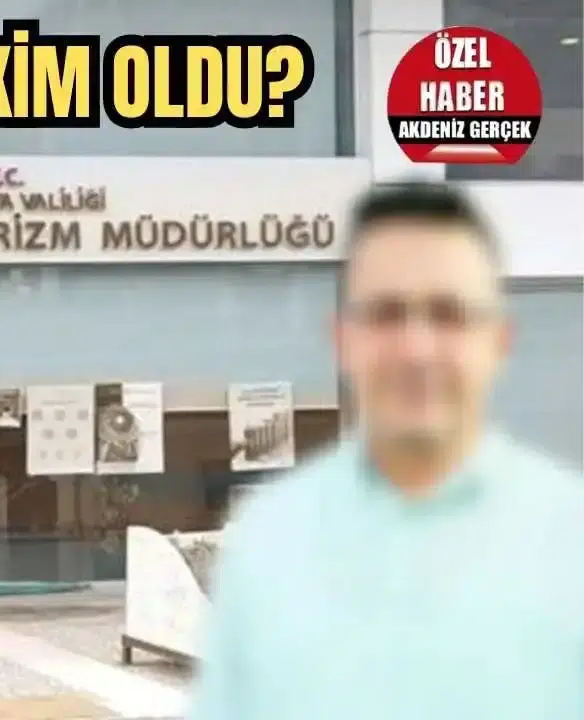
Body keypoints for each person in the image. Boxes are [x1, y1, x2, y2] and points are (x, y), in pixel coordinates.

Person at [186, 182, 584, 720]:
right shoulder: (267, 546)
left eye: (447, 313)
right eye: (388, 313)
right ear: (343, 340)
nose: (417, 349)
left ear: (499, 339)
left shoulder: (569, 543)